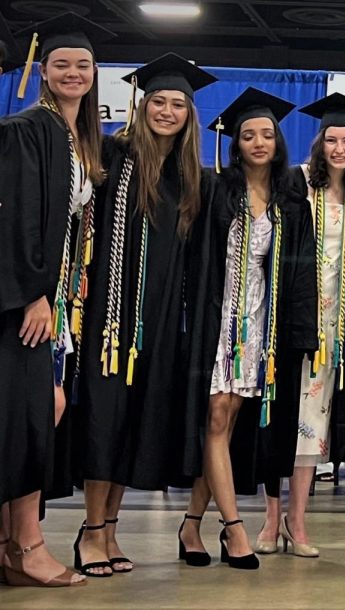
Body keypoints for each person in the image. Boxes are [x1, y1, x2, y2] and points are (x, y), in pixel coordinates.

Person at [72, 53, 214, 578]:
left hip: (157, 322)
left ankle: (110, 528)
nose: (168, 111)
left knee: (133, 423)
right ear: (142, 104)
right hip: (109, 316)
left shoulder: (191, 176)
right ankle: (89, 531)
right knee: (104, 420)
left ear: (189, 113)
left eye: (178, 104)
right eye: (159, 101)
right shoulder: (113, 156)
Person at [177, 88, 317, 571]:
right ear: (235, 144)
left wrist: (300, 335)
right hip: (219, 320)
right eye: (248, 135)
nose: (258, 142)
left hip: (261, 323)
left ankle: (192, 523)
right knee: (217, 416)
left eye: (266, 134)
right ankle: (235, 530)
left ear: (278, 142)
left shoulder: (290, 199)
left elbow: (300, 271)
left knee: (230, 423)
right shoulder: (217, 188)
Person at [0, 12, 113, 588]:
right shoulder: (29, 128)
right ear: (43, 71)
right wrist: (33, 296)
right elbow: (19, 220)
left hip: (56, 302)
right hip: (29, 304)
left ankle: (11, 544)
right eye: (62, 64)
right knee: (28, 418)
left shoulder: (75, 138)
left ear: (95, 75)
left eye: (83, 65)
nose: (73, 72)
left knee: (42, 412)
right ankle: (28, 546)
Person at [256, 94, 345, 559]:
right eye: (332, 139)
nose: (340, 148)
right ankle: (271, 519)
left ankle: (299, 522)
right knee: (282, 420)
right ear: (319, 143)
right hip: (292, 319)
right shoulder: (294, 185)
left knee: (314, 424)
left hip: (335, 328)